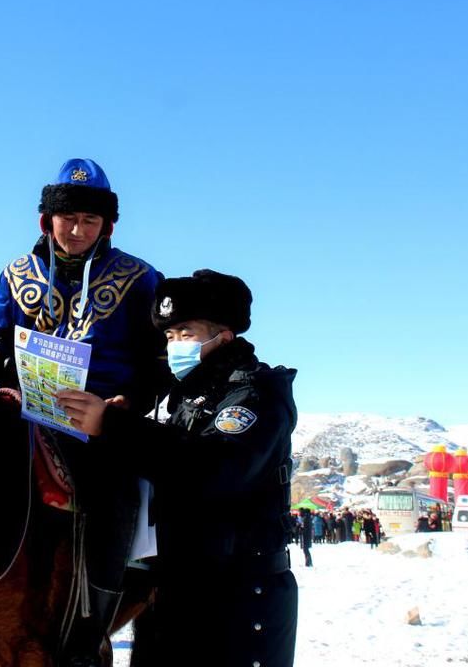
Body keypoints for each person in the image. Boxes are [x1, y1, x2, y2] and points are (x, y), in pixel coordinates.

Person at [0, 158, 170, 667]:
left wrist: (124, 406)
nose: (79, 230)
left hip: (101, 427)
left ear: (108, 223)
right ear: (47, 220)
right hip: (22, 415)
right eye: (69, 220)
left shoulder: (140, 278)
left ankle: (94, 624)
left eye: (91, 220)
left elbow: (160, 365)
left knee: (115, 491)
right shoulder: (15, 274)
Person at [58, 269, 299, 666]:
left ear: (223, 335)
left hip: (237, 597)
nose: (174, 345)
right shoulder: (190, 400)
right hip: (177, 587)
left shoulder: (255, 394)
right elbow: (167, 462)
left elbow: (211, 469)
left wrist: (116, 427)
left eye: (185, 332)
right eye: (169, 336)